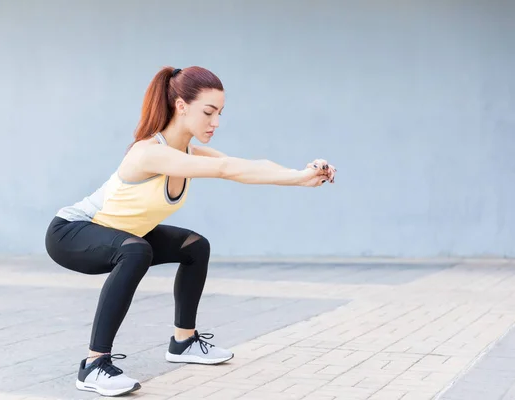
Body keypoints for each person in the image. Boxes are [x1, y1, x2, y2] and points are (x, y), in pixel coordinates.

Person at [44, 65, 336, 397]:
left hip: (121, 233)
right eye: (208, 112)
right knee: (136, 249)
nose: (216, 122)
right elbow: (227, 169)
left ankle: (183, 342)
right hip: (71, 232)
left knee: (195, 246)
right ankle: (94, 365)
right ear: (181, 106)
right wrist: (298, 178)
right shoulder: (149, 153)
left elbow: (246, 166)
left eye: (220, 113)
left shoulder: (188, 152)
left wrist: (304, 173)